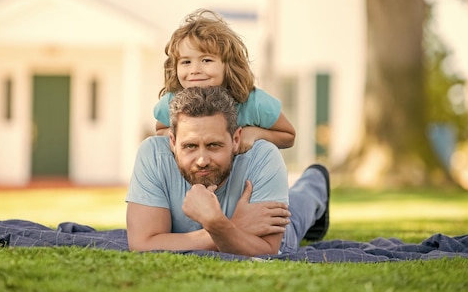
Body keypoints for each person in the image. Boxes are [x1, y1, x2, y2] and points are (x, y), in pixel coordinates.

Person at [127, 86, 330, 257]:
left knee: (302, 204)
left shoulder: (263, 156)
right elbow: (142, 244)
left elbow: (267, 249)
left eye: (214, 145)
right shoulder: (153, 154)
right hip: (243, 223)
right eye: (189, 146)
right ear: (172, 142)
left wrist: (217, 226)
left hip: (282, 235)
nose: (202, 160)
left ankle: (316, 179)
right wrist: (226, 226)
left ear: (235, 139)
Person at [154, 8, 295, 154]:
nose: (194, 70)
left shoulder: (254, 103)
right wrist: (179, 136)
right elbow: (160, 130)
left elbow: (288, 136)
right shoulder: (172, 102)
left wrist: (256, 133)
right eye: (186, 62)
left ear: (228, 65)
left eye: (206, 60)